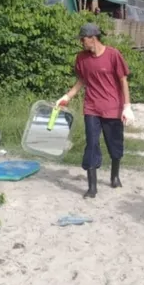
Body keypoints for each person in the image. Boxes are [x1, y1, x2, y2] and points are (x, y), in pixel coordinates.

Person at [56, 23, 135, 198]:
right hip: (91, 107)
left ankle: (114, 176)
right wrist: (67, 97)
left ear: (93, 38)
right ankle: (92, 187)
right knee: (91, 144)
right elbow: (81, 81)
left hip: (112, 108)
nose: (81, 43)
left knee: (114, 143)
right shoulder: (81, 58)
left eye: (83, 39)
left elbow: (123, 81)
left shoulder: (113, 55)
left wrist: (127, 106)